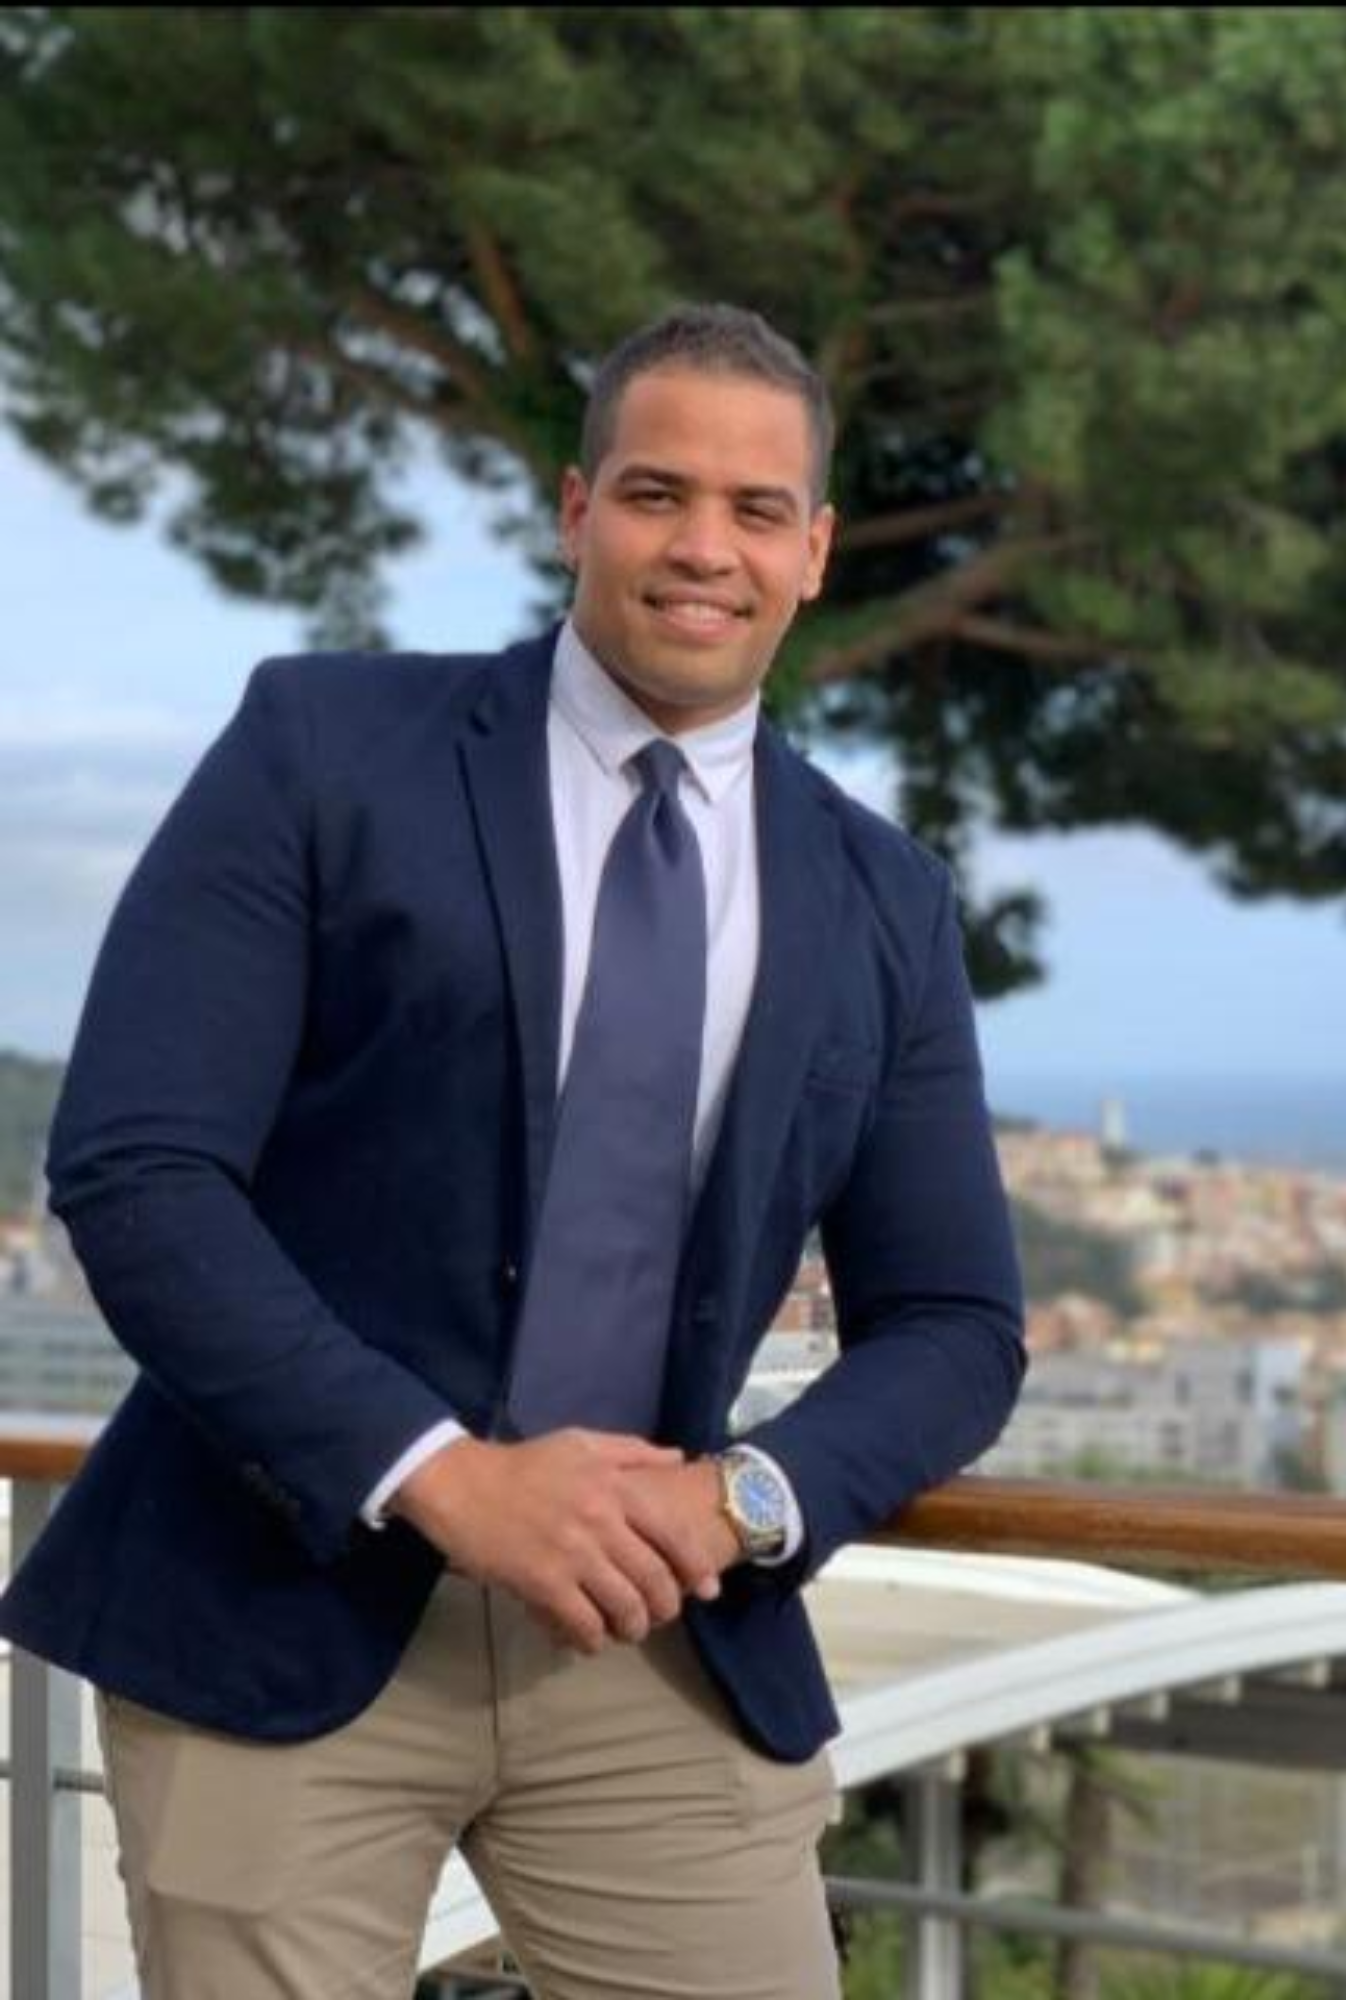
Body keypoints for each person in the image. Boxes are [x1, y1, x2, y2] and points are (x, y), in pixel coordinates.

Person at [0, 302, 1026, 1998]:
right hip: (280, 1597)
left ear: (816, 551)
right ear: (575, 510)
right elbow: (138, 1169)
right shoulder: (322, 751)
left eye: (757, 510)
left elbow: (958, 1325)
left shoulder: (883, 898)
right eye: (656, 493)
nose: (704, 548)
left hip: (656, 1626)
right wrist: (447, 1477)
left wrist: (744, 1501)